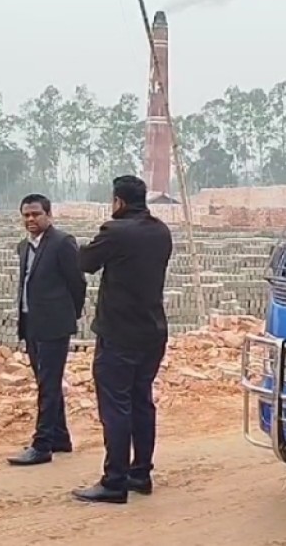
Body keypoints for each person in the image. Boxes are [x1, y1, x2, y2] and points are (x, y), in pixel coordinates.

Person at [72, 175, 173, 504]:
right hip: (152, 331)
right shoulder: (161, 231)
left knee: (116, 408)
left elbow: (86, 263)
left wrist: (74, 246)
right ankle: (140, 473)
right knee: (141, 402)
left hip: (119, 334)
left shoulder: (115, 232)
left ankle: (114, 481)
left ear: (118, 202)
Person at [7, 194, 87, 466]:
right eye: (26, 215)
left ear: (48, 215)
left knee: (49, 385)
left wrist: (68, 315)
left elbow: (77, 283)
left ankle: (42, 445)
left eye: (36, 214)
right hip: (31, 324)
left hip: (54, 325)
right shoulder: (24, 247)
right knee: (45, 382)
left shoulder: (62, 243)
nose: (31, 219)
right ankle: (60, 437)